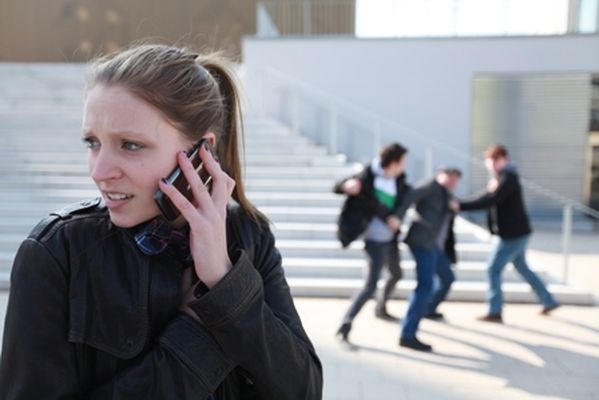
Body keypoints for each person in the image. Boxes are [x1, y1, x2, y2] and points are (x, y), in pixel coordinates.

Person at [0, 43, 322, 399]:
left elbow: (303, 391)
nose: (99, 171)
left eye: (130, 145)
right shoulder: (57, 254)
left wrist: (224, 281)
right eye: (93, 142)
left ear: (203, 152)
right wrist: (196, 339)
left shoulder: (249, 237)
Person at [459, 144, 559, 323]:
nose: (490, 165)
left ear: (503, 159)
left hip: (512, 234)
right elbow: (488, 197)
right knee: (522, 267)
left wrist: (460, 205)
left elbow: (491, 199)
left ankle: (495, 310)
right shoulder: (502, 178)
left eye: (493, 161)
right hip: (516, 232)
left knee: (492, 269)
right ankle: (548, 300)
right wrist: (463, 203)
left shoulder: (509, 178)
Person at [334, 143, 411, 342]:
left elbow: (404, 200)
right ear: (393, 162)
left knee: (396, 274)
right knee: (370, 285)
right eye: (402, 162)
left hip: (391, 239)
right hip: (374, 240)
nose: (404, 166)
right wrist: (345, 186)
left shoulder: (399, 179)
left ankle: (381, 307)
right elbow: (338, 187)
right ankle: (346, 323)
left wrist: (397, 217)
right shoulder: (367, 176)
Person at [393, 167, 462, 352]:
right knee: (425, 286)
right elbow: (409, 197)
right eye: (450, 177)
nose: (452, 182)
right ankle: (407, 334)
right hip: (422, 242)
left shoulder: (446, 194)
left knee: (447, 278)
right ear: (441, 174)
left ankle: (428, 309)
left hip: (435, 247)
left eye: (456, 180)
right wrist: (398, 217)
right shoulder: (431, 186)